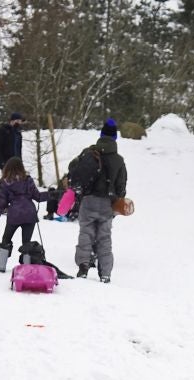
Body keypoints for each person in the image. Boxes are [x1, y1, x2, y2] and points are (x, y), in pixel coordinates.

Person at [70, 118, 128, 282]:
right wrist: (117, 201)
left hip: (88, 201)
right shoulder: (119, 160)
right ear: (115, 138)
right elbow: (121, 185)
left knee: (85, 234)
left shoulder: (90, 153)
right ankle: (105, 273)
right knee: (104, 238)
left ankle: (83, 266)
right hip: (107, 204)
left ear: (101, 135)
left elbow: (74, 171)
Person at [0, 157, 49, 272]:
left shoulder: (5, 182)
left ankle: (1, 265)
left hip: (15, 215)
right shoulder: (27, 179)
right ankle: (27, 267)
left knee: (6, 239)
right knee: (26, 242)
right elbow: (38, 197)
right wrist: (53, 194)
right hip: (30, 214)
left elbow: (1, 202)